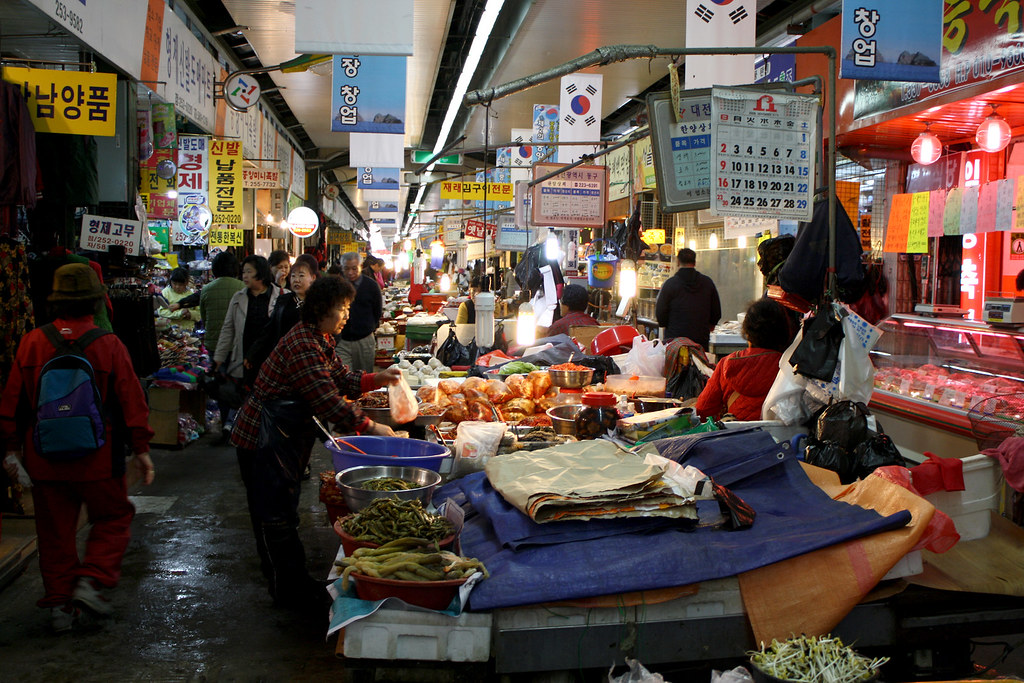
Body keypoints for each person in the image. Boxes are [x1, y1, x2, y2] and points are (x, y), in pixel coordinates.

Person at [0, 264, 155, 633]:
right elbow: (131, 400)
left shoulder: (32, 342)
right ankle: (91, 580)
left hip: (44, 458)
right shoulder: (108, 344)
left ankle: (59, 607)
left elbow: (12, 403)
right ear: (96, 301)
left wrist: (11, 449)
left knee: (54, 533)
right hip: (98, 459)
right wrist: (142, 448)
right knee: (114, 517)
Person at [230, 275, 399, 610]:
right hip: (262, 438)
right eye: (342, 308)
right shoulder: (303, 345)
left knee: (282, 510)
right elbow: (326, 401)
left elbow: (339, 378)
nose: (347, 315)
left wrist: (374, 378)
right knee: (274, 516)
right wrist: (371, 426)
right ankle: (287, 589)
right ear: (323, 310)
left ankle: (288, 582)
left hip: (283, 438)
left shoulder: (319, 339)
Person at [694, 299, 792, 421]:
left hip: (737, 437)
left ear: (747, 332)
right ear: (785, 332)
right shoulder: (789, 368)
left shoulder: (727, 364)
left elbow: (702, 412)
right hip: (780, 439)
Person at [215, 255, 282, 395]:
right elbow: (228, 329)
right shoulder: (238, 297)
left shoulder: (281, 296)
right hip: (243, 359)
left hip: (271, 360)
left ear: (261, 272)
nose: (245, 276)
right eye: (243, 272)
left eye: (249, 272)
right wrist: (218, 359)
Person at [247, 253, 320, 379]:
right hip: (285, 357)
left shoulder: (319, 302)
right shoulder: (284, 300)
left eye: (301, 276)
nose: (296, 280)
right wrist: (252, 353)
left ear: (312, 278)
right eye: (293, 276)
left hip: (311, 358)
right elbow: (270, 328)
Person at [656, 248, 722, 351]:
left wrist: (668, 325)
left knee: (676, 367)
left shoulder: (670, 284)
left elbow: (660, 315)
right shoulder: (707, 283)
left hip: (675, 342)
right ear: (695, 263)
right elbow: (716, 313)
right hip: (700, 342)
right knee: (700, 366)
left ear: (678, 262)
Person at [335, 251, 382, 373]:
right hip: (341, 340)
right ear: (341, 267)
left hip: (364, 339)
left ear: (361, 266)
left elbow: (377, 310)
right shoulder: (336, 285)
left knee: (364, 377)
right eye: (346, 269)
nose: (350, 272)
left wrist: (369, 327)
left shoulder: (371, 285)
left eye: (354, 269)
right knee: (343, 375)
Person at [199, 251, 245, 361]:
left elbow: (204, 317)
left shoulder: (206, 289)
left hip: (214, 343)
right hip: (236, 343)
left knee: (217, 375)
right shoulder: (243, 287)